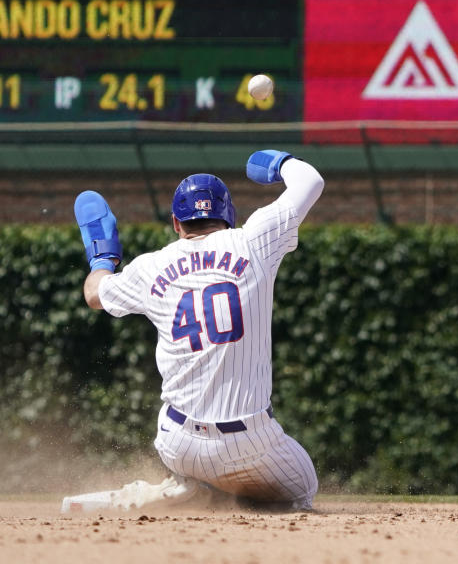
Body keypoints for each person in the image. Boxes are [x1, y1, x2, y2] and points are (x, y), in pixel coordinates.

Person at [67, 150, 324, 513]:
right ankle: (221, 494)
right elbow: (311, 181)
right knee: (302, 491)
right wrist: (278, 162)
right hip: (251, 440)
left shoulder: (151, 267)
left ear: (176, 223)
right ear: (229, 217)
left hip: (178, 443)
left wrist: (103, 257)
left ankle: (185, 490)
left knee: (195, 464)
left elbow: (94, 294)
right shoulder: (254, 241)